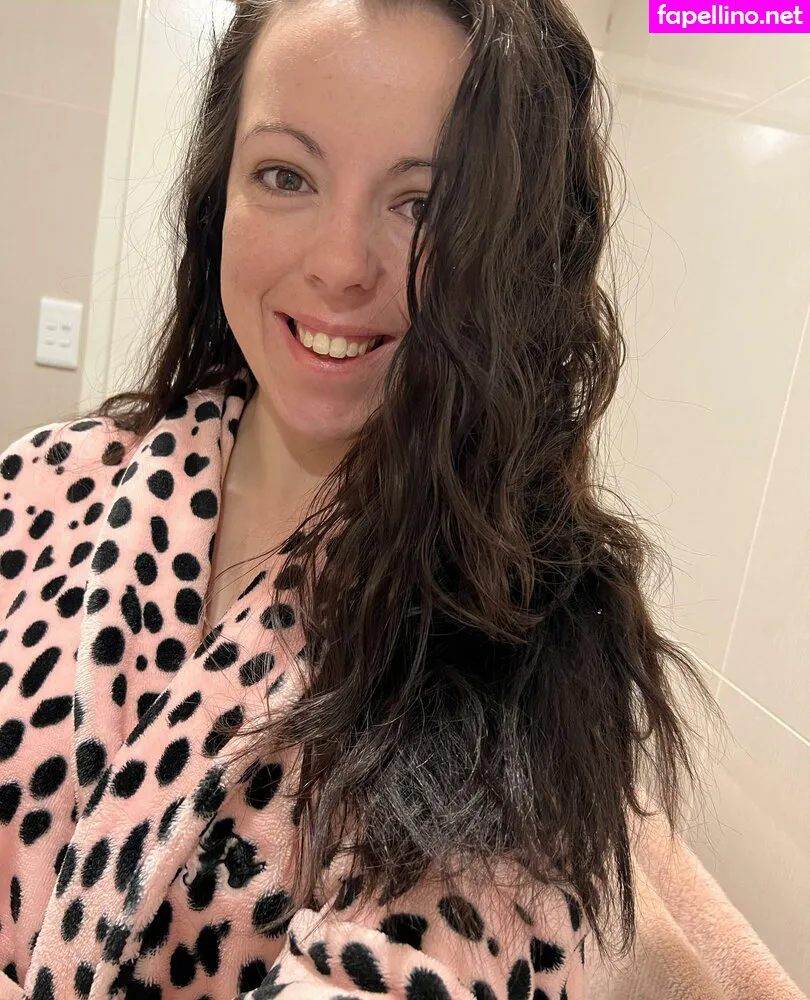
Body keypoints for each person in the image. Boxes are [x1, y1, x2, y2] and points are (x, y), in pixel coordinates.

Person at [0, 0, 722, 997]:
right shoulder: (44, 480)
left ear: (517, 255)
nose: (340, 265)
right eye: (285, 176)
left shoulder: (529, 642)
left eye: (424, 203)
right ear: (219, 198)